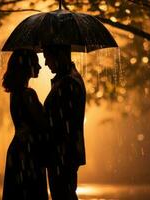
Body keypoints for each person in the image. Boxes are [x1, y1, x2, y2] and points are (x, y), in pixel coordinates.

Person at [2, 50, 49, 200]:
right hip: (29, 153)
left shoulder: (15, 93)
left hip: (19, 150)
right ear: (27, 67)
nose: (40, 67)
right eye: (36, 62)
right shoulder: (28, 94)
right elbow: (43, 124)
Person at [43, 45, 86, 200]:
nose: (46, 63)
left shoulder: (68, 82)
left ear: (59, 54)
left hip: (62, 153)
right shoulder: (68, 79)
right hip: (63, 152)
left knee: (62, 195)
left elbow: (59, 121)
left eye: (47, 57)